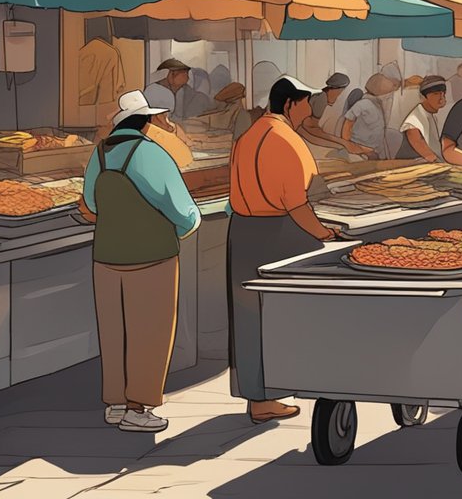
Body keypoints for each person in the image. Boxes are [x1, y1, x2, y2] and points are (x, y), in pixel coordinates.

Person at [80, 90, 199, 434]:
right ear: (146, 123)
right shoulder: (151, 154)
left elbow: (92, 201)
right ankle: (138, 407)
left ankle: (116, 403)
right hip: (152, 258)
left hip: (106, 257)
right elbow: (182, 211)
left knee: (114, 331)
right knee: (150, 332)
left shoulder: (99, 155)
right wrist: (187, 225)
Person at [228, 77, 340, 424]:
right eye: (306, 103)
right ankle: (288, 387)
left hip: (242, 231)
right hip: (274, 233)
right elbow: (298, 204)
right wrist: (324, 233)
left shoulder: (248, 135)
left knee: (248, 317)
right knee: (283, 314)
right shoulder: (286, 139)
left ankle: (258, 399)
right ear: (290, 104)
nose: (310, 109)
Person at [302, 73, 370, 158]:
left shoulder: (323, 99)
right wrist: (344, 143)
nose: (339, 97)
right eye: (341, 92)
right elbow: (311, 128)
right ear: (334, 89)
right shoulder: (321, 99)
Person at [342, 73, 397, 159]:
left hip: (374, 150)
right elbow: (348, 125)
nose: (389, 97)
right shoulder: (362, 104)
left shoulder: (379, 106)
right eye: (387, 94)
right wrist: (349, 146)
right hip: (360, 150)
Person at [398, 76, 447, 162]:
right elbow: (429, 156)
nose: (441, 99)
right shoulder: (414, 121)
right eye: (436, 94)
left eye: (443, 94)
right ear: (423, 97)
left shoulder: (431, 115)